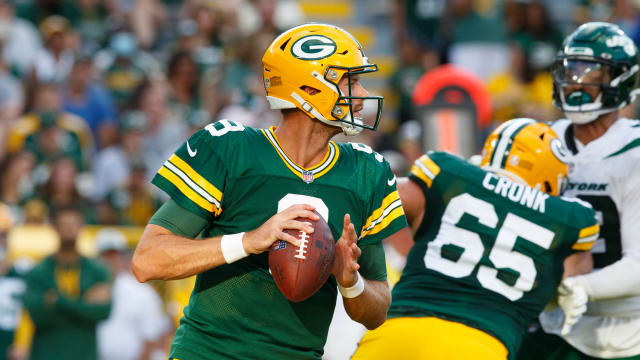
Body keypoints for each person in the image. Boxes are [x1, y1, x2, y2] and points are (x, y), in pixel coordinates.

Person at [131, 23, 408, 359]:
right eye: (350, 82)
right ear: (308, 88)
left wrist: (351, 282)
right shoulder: (231, 148)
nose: (362, 95)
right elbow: (148, 260)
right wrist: (248, 241)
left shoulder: (368, 171)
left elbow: (377, 311)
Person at [352, 118, 600, 360]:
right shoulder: (570, 219)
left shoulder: (450, 173)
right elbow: (575, 274)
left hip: (397, 334)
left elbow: (374, 195)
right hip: (480, 345)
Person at [517, 22, 640, 360]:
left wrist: (579, 287)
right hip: (552, 323)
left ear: (621, 79)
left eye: (590, 72)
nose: (575, 81)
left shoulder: (634, 152)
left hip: (627, 332)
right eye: (570, 69)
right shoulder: (540, 141)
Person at [23, 205, 111, 360]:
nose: (69, 229)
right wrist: (83, 303)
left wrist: (57, 300)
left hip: (84, 354)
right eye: (64, 225)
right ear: (54, 228)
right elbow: (37, 315)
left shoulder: (96, 270)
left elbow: (102, 312)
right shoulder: (39, 271)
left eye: (73, 224)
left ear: (82, 227)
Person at [95, 228, 169, 360]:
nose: (110, 261)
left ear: (123, 257)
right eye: (105, 256)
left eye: (114, 255)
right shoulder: (88, 289)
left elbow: (151, 339)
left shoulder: (142, 292)